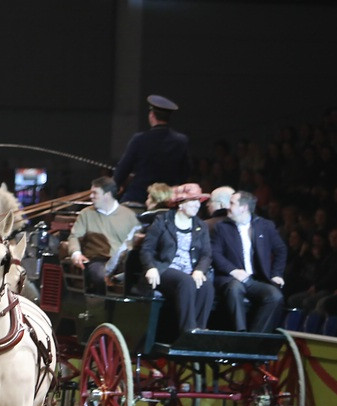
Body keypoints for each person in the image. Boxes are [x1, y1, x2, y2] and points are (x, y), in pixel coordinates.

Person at [139, 183, 215, 338]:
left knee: (206, 284)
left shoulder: (201, 226)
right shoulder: (163, 221)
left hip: (190, 270)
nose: (196, 205)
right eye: (192, 201)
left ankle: (200, 330)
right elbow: (147, 249)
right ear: (180, 204)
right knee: (186, 281)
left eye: (198, 201)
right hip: (164, 268)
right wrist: (150, 267)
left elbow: (207, 254)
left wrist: (200, 270)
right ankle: (188, 332)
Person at [210, 190, 288, 332]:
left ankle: (255, 338)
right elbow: (215, 254)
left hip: (255, 280)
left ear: (244, 208)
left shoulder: (265, 226)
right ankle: (241, 333)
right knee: (235, 289)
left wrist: (277, 273)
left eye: (232, 203)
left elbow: (281, 250)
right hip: (230, 278)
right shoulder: (221, 227)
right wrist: (233, 271)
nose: (228, 206)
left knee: (275, 296)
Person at [65, 176, 141, 293]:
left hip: (122, 262)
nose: (91, 196)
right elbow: (74, 236)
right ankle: (103, 307)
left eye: (95, 193)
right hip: (97, 260)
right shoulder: (86, 214)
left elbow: (137, 239)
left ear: (107, 195)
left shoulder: (128, 215)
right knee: (100, 275)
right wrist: (76, 253)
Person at [113, 95, 191, 205]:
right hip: (168, 197)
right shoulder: (181, 141)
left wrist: (113, 187)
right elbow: (185, 171)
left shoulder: (140, 139)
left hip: (139, 196)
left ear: (152, 115)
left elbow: (123, 168)